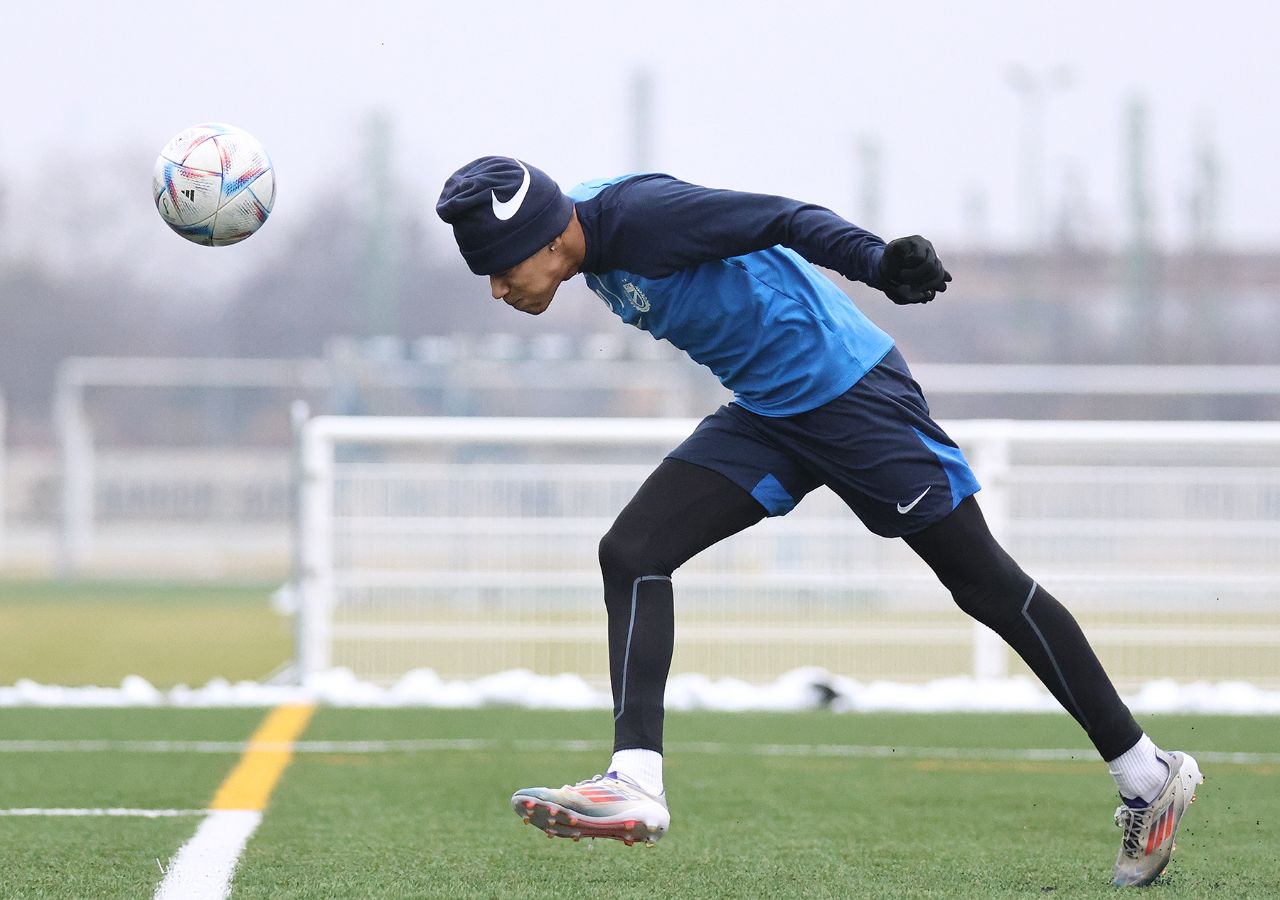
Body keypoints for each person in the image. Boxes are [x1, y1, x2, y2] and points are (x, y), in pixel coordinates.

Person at [435, 156, 1202, 886]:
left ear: (548, 238)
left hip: (852, 396)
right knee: (632, 551)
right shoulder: (584, 245)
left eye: (502, 270)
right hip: (770, 414)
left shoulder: (644, 216)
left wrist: (877, 262)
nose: (499, 290)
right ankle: (634, 781)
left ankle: (1147, 775)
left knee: (984, 584)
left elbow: (782, 217)